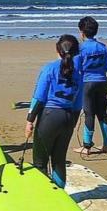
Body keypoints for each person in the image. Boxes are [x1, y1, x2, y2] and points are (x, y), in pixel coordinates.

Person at [25, 35, 82, 188]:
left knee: (40, 162)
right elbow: (78, 104)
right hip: (68, 117)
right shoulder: (78, 74)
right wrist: (72, 124)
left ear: (57, 49)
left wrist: (30, 120)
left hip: (49, 117)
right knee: (59, 160)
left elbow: (39, 97)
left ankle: (45, 198)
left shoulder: (49, 69)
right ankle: (60, 195)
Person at [73, 16, 107, 155]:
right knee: (102, 113)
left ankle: (87, 146)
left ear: (81, 32)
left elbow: (76, 69)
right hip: (101, 83)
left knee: (89, 114)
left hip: (87, 84)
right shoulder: (102, 47)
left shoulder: (80, 49)